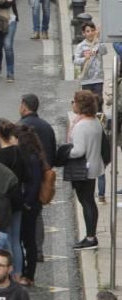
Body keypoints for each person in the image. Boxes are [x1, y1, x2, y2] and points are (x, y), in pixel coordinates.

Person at [66, 89, 104, 250]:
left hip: (83, 170)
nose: (72, 104)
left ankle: (90, 237)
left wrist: (65, 152)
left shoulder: (82, 126)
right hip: (93, 166)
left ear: (80, 105)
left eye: (73, 101)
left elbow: (78, 151)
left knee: (86, 202)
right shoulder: (94, 121)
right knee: (89, 202)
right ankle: (91, 235)